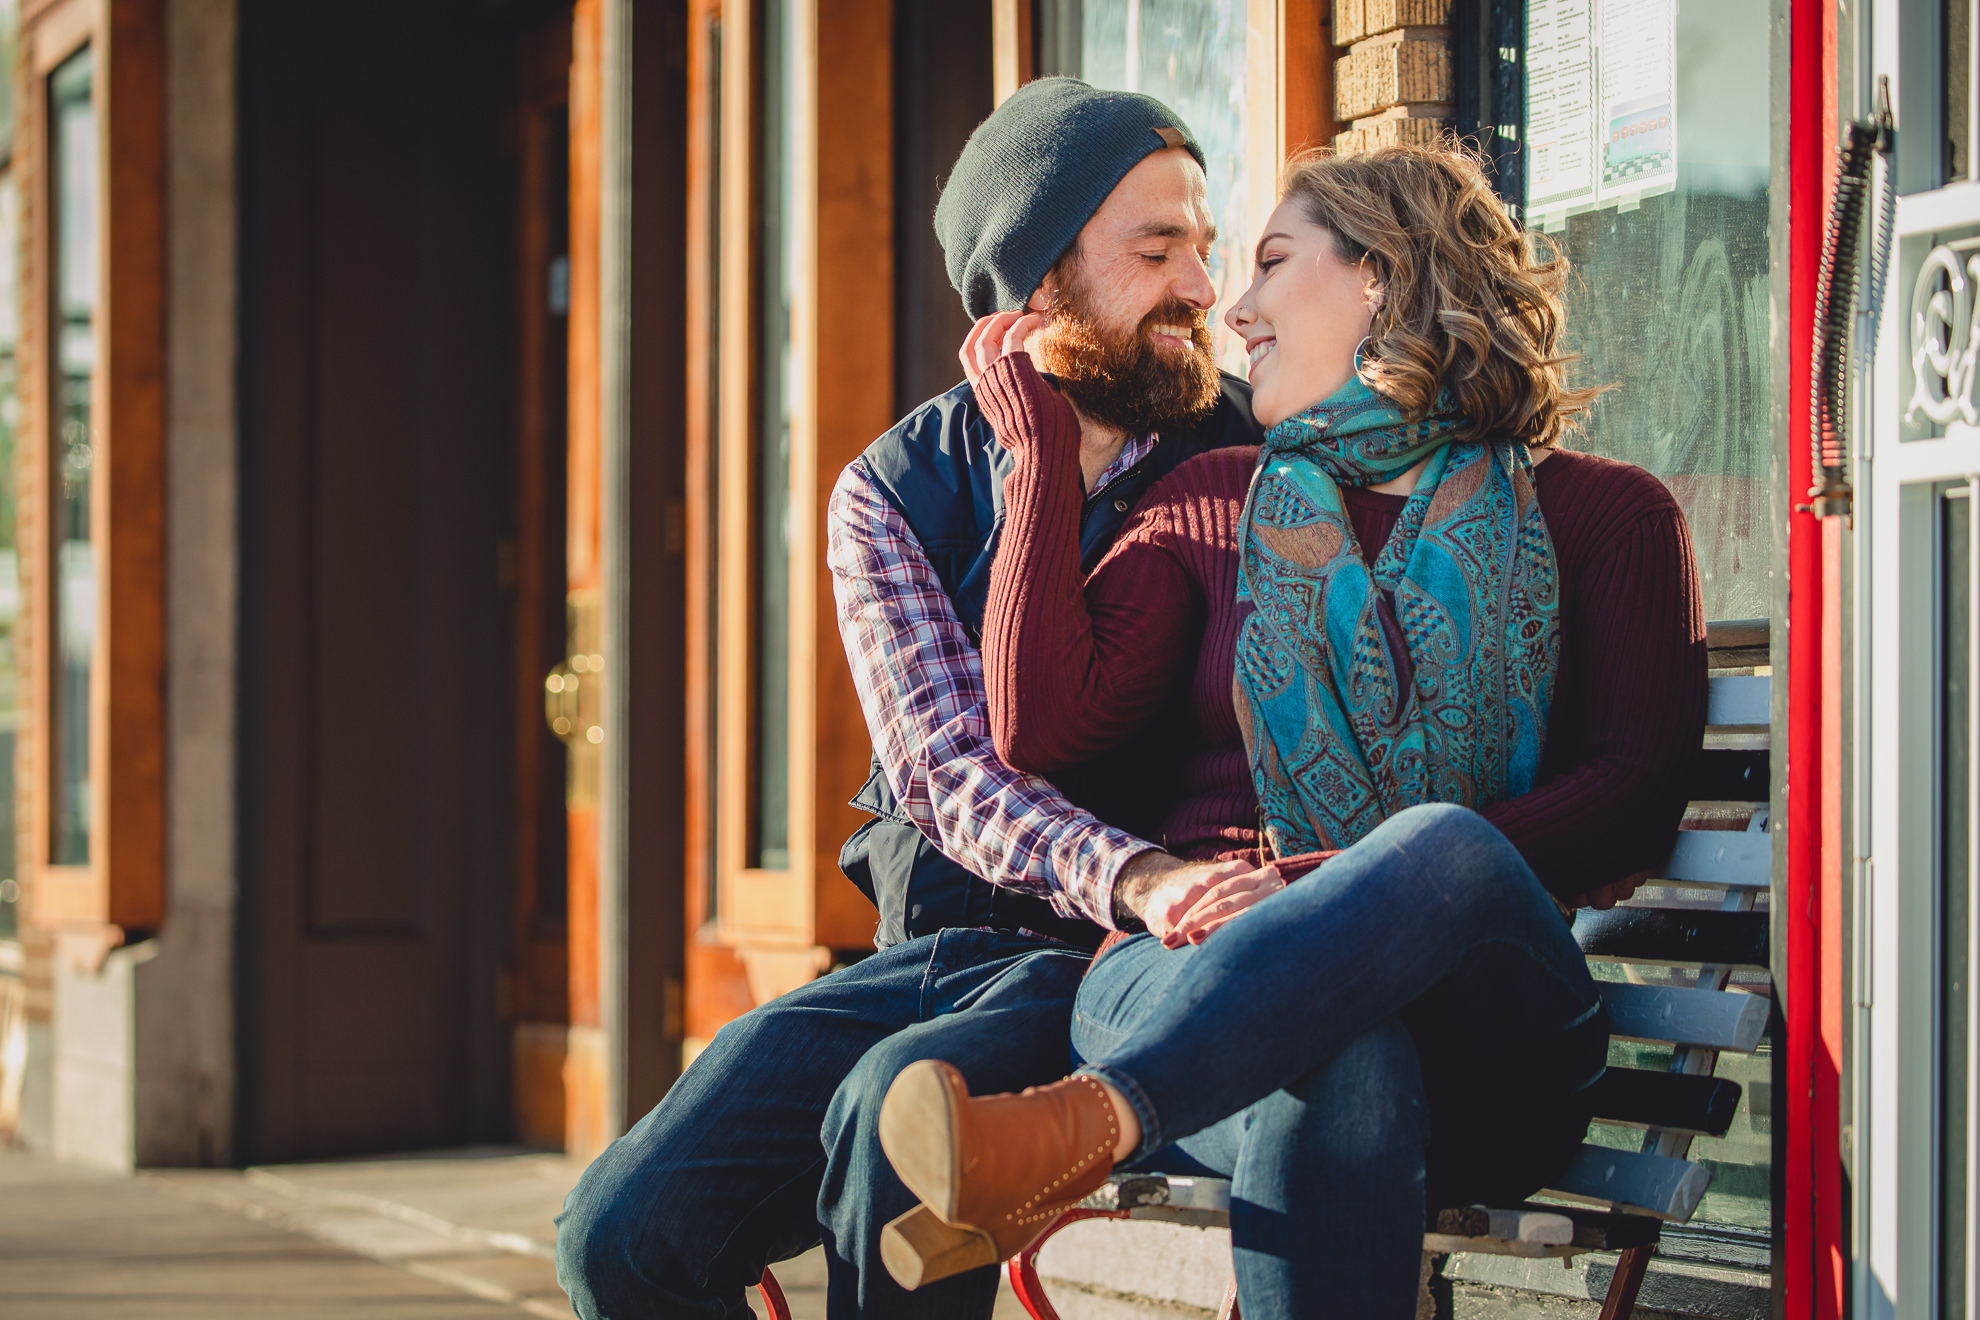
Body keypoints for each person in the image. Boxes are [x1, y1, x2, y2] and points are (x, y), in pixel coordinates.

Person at [873, 144, 1709, 1317]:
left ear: (1383, 278)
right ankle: (1087, 1121)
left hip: (1484, 1032)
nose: (1237, 306)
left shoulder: (1605, 514)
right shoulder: (1212, 494)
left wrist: (1318, 887)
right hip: (1187, 971)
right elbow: (1039, 724)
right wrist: (1039, 451)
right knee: (1347, 1070)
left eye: (1270, 262)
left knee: (1445, 846)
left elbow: (1630, 795)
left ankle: (1080, 1129)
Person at [553, 78, 1275, 1320]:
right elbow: (948, 774)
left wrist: (1153, 889)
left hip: (1120, 965)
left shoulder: (1245, 452)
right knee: (618, 1237)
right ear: (1037, 281)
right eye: (1157, 251)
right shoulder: (889, 492)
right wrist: (1132, 868)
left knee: (893, 1134)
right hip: (935, 949)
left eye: (1204, 247)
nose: (1203, 289)